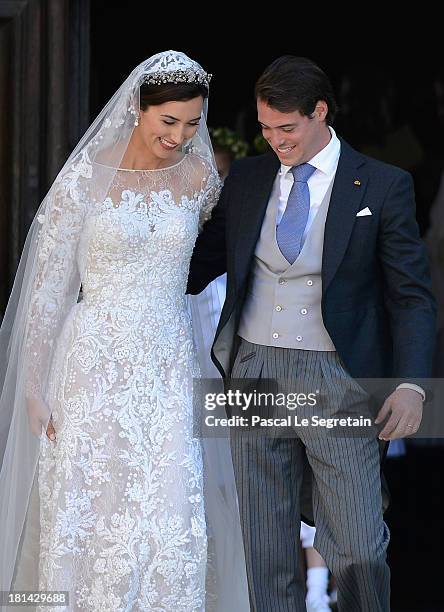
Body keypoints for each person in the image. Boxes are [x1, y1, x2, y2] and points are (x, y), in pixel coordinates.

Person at [0, 50, 249, 611]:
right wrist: (35, 388)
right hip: (92, 364)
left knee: (168, 514)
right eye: (169, 121)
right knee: (90, 509)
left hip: (168, 367)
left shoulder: (200, 178)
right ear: (138, 108)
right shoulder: (85, 177)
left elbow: (209, 269)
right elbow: (48, 288)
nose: (180, 135)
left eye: (191, 123)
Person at [188, 56, 436, 611]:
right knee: (267, 550)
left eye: (288, 128)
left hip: (337, 377)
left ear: (320, 112)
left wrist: (414, 384)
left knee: (359, 550)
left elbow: (411, 296)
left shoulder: (383, 183)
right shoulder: (248, 178)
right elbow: (197, 264)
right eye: (266, 129)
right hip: (253, 371)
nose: (276, 140)